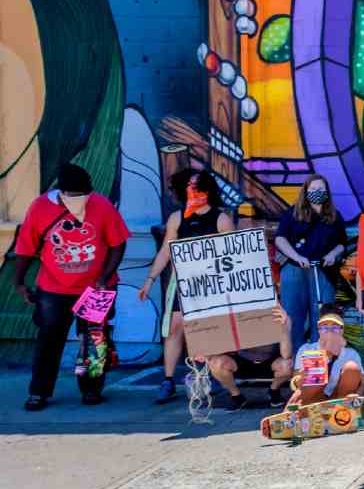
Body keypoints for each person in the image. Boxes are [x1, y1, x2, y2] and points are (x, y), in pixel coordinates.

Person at [13, 163, 130, 411]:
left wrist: (104, 277)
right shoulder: (40, 207)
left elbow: (118, 244)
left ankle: (91, 389)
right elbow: (25, 248)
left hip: (97, 288)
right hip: (54, 290)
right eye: (74, 197)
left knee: (94, 339)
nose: (81, 201)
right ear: (61, 192)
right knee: (49, 340)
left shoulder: (101, 205)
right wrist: (19, 282)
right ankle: (39, 392)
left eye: (84, 196)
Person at [138, 170, 235, 403]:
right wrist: (150, 279)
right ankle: (168, 380)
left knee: (209, 329)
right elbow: (166, 251)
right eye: (189, 185)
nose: (193, 190)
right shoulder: (177, 218)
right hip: (183, 284)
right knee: (174, 328)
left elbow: (233, 254)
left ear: (208, 190)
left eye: (197, 186)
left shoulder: (221, 219)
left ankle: (212, 377)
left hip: (212, 285)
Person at [275, 175, 349, 352]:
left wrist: (333, 254)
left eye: (321, 189)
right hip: (295, 269)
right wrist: (296, 256)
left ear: (327, 192)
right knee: (293, 316)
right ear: (305, 191)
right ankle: (295, 365)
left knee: (322, 317)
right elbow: (280, 239)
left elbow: (342, 243)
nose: (317, 192)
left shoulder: (334, 216)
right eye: (313, 189)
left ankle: (321, 361)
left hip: (323, 271)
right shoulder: (292, 213)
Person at [206, 305, 293, 410]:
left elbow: (286, 355)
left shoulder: (281, 318)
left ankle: (273, 390)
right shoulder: (236, 315)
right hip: (242, 360)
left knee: (288, 365)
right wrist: (205, 353)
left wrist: (284, 329)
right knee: (215, 363)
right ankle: (236, 396)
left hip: (270, 361)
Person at [289, 305, 364, 407]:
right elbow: (295, 384)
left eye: (335, 328)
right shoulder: (306, 349)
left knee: (352, 367)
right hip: (313, 400)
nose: (329, 332)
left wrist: (356, 397)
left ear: (342, 330)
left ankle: (344, 410)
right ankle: (291, 417)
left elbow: (363, 383)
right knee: (316, 367)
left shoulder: (351, 353)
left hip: (339, 399)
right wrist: (301, 378)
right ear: (319, 330)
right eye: (324, 327)